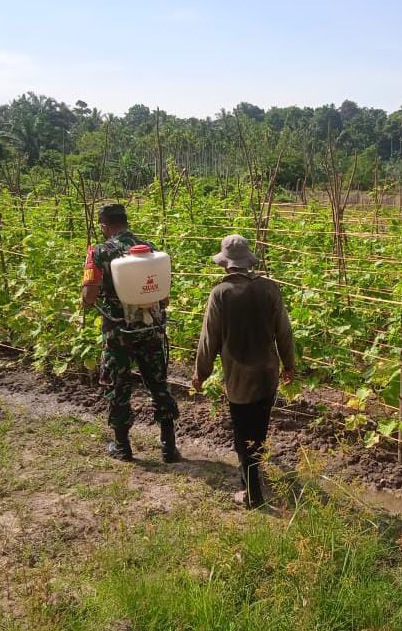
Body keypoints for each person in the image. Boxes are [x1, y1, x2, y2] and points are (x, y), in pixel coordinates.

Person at [192, 234, 295, 508]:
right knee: (259, 430)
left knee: (242, 436)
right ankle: (252, 483)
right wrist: (289, 364)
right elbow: (284, 331)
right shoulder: (270, 288)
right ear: (248, 262)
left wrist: (200, 373)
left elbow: (209, 339)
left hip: (239, 377)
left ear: (226, 264)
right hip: (268, 373)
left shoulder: (221, 294)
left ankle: (252, 495)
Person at [81, 203, 180, 462]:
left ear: (104, 226)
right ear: (125, 222)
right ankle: (169, 447)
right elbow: (164, 298)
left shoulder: (99, 252)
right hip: (151, 329)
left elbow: (89, 296)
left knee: (118, 385)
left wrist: (91, 298)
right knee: (158, 384)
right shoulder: (150, 249)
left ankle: (122, 447)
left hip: (118, 332)